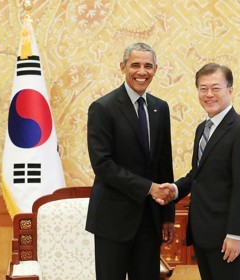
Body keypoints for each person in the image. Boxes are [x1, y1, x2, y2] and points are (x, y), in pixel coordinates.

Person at [162, 63, 240, 279]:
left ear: (230, 90)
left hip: (228, 237)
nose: (209, 94)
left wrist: (235, 235)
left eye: (216, 88)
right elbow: (197, 176)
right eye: (203, 88)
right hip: (203, 233)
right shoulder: (203, 129)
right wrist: (175, 189)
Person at [85, 42, 176, 280]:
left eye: (148, 66)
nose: (141, 71)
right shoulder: (103, 108)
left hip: (149, 220)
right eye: (135, 65)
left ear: (155, 69)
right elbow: (103, 165)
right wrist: (148, 188)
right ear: (123, 67)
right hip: (112, 220)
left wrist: (167, 216)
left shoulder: (160, 108)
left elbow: (163, 163)